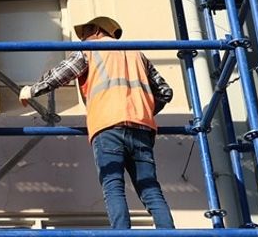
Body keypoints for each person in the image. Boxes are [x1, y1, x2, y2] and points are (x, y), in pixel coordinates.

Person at [19, 16, 174, 230]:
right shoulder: (138, 53)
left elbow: (63, 73)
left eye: (85, 33)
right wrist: (143, 111)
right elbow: (166, 92)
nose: (82, 39)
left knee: (113, 186)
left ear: (98, 30)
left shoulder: (91, 49)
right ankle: (168, 234)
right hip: (142, 127)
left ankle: (121, 235)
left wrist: (32, 90)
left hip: (108, 125)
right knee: (150, 189)